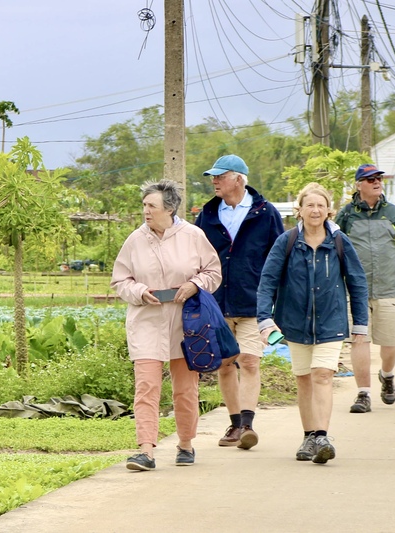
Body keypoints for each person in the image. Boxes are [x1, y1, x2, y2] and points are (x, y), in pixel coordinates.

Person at [111, 179, 221, 471]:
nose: (146, 211)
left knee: (185, 389)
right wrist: (139, 292)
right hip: (147, 321)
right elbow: (120, 281)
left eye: (152, 206)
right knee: (147, 386)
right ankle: (145, 451)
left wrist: (194, 285)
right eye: (144, 205)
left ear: (169, 208)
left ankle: (186, 443)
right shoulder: (135, 240)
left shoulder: (193, 235)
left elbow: (213, 271)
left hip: (187, 323)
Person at [257, 183, 368, 464]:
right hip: (294, 323)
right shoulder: (287, 241)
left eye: (321, 205)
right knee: (304, 379)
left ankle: (321, 436)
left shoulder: (340, 242)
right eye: (310, 205)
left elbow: (357, 283)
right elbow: (267, 281)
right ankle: (308, 436)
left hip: (331, 322)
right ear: (300, 209)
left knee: (322, 375)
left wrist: (360, 325)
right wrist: (264, 319)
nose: (315, 210)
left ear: (329, 210)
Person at [195, 154, 284, 450]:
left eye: (220, 176)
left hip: (252, 300)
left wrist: (276, 300)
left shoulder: (266, 212)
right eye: (213, 176)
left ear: (238, 178)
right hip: (216, 302)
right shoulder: (207, 214)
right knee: (224, 364)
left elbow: (278, 256)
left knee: (249, 360)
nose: (214, 181)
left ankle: (247, 424)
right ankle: (234, 424)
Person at [335, 163, 395, 413]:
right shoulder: (346, 216)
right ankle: (363, 394)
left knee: (391, 343)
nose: (376, 182)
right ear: (358, 184)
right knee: (359, 340)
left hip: (388, 290)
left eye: (378, 178)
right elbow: (335, 254)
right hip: (355, 292)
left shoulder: (393, 214)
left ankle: (387, 374)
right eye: (369, 179)